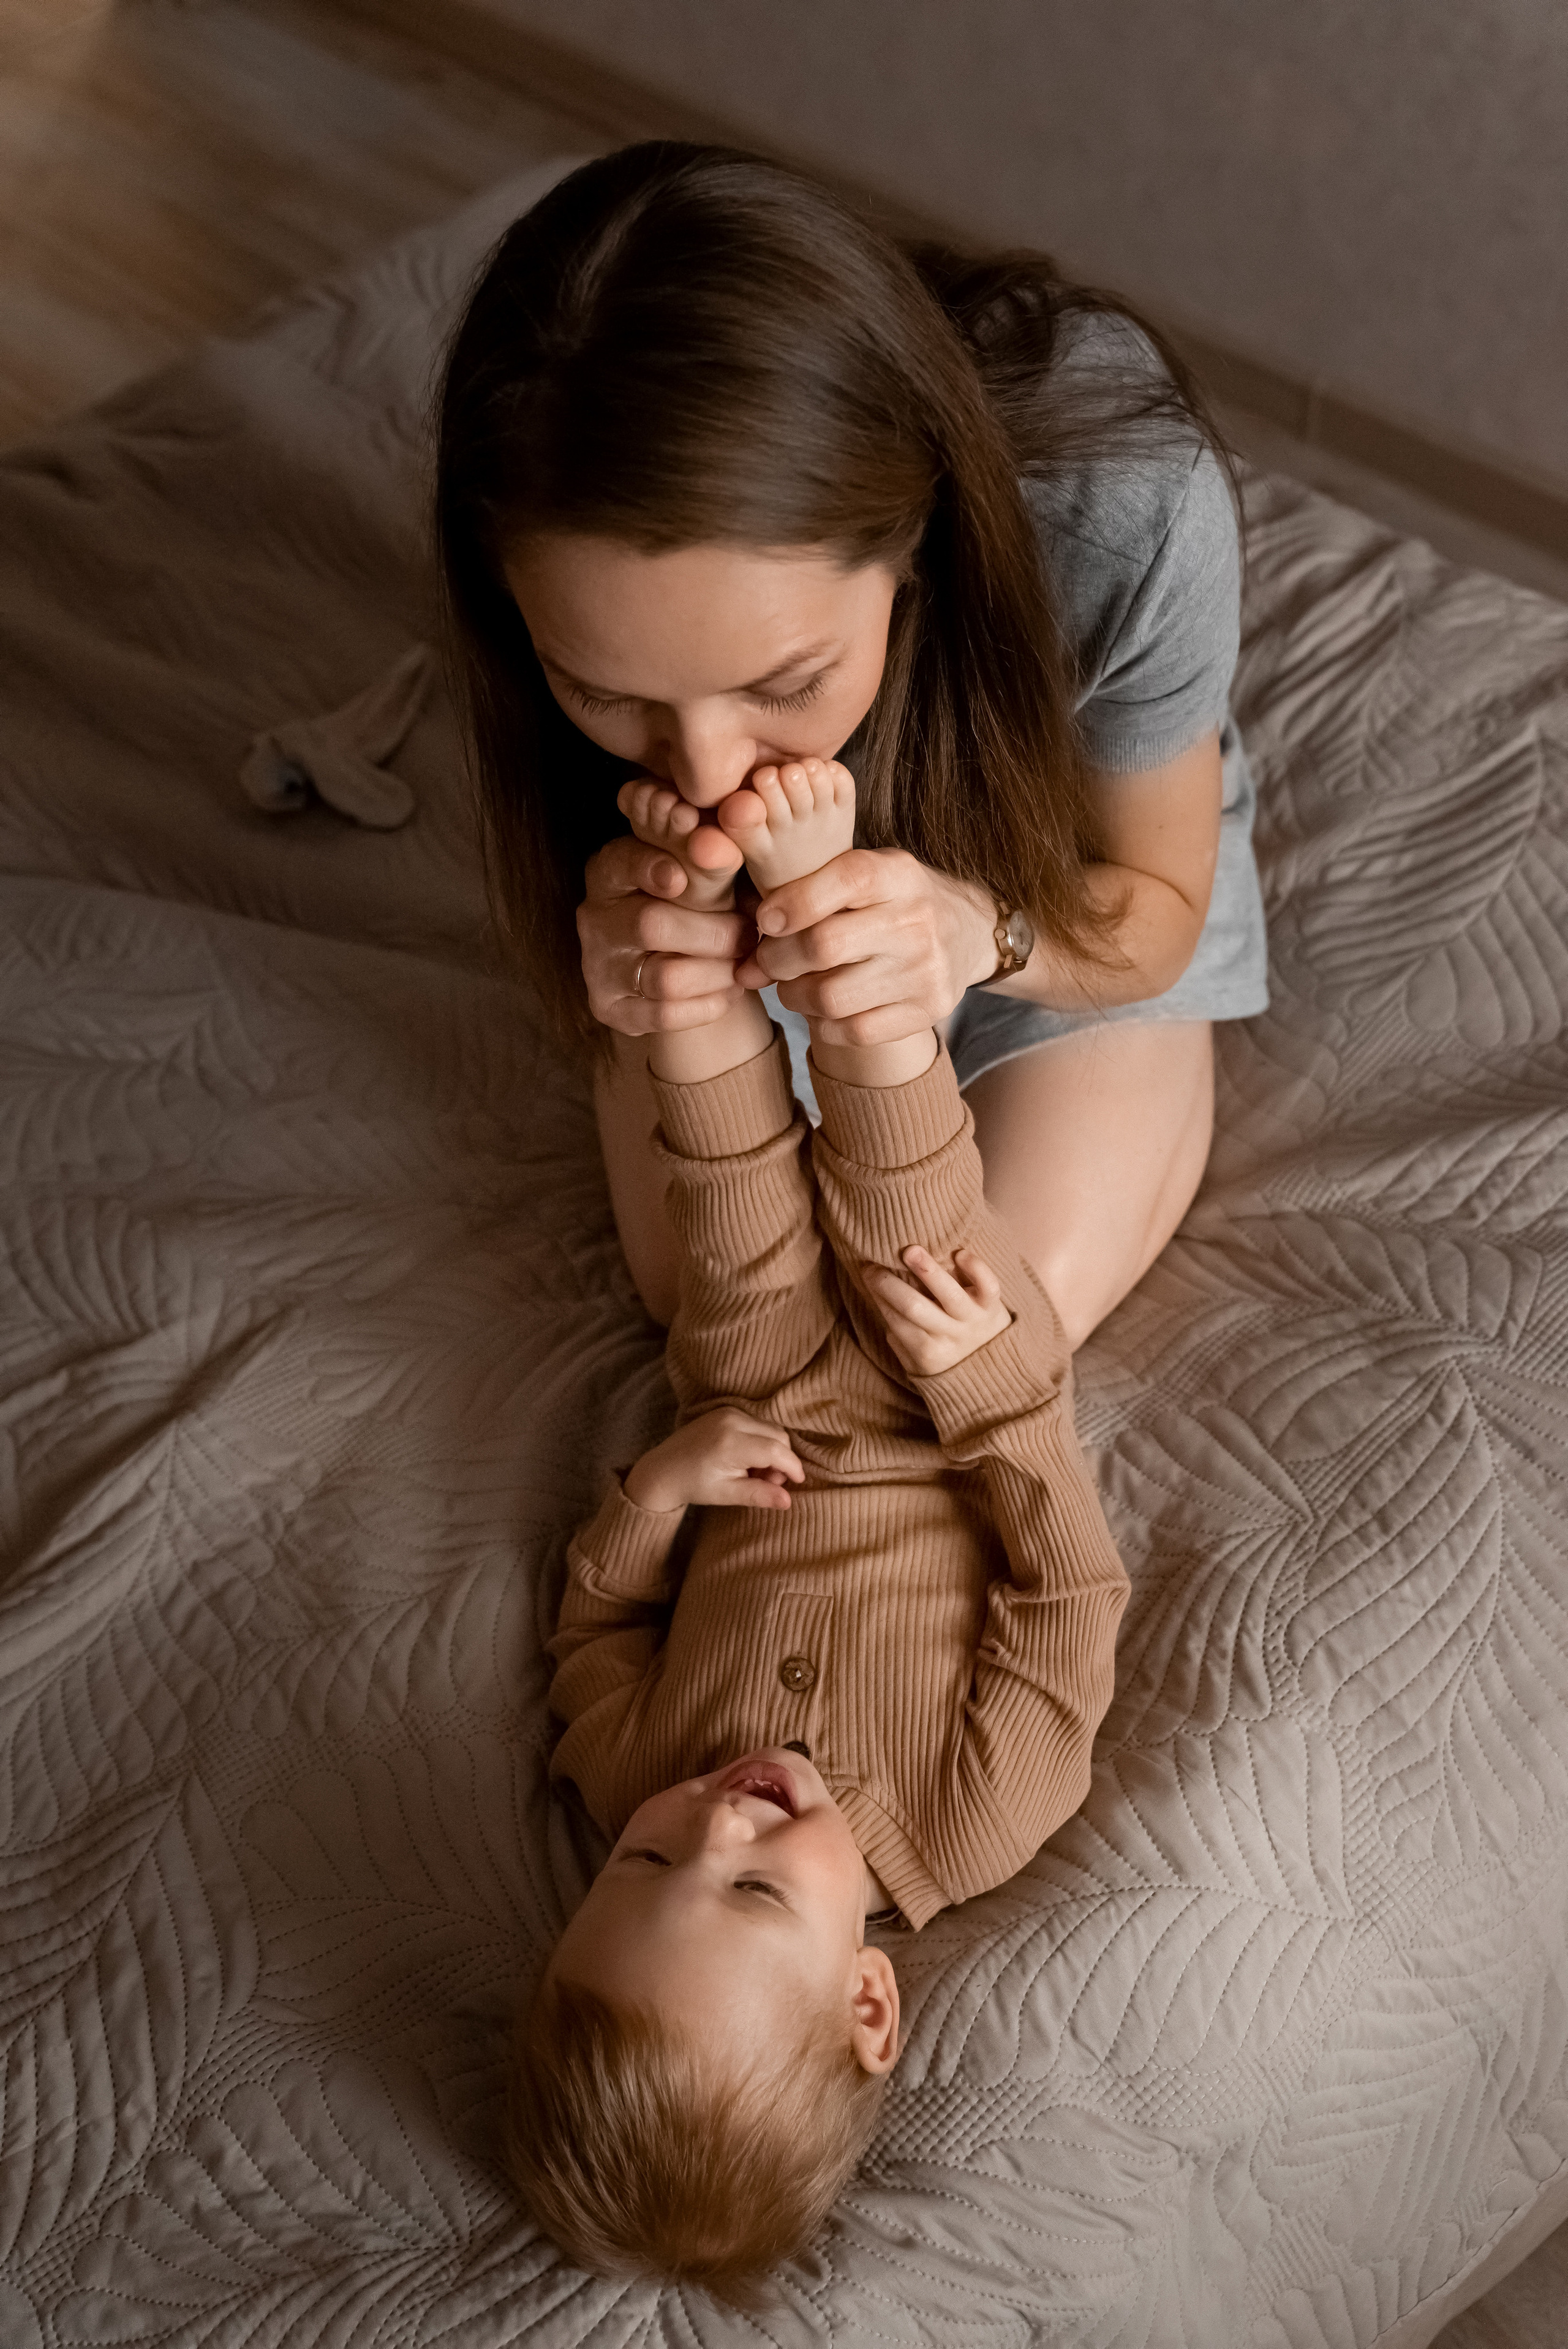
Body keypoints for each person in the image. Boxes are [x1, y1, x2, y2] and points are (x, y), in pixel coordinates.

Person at [435, 140, 1267, 1343]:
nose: (707, 775)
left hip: (1060, 876)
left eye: (784, 683)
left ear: (916, 543)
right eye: (604, 694)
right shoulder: (530, 558)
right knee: (718, 1308)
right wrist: (645, 976)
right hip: (760, 930)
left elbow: (1155, 910)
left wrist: (979, 934)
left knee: (980, 1322)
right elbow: (730, 1297)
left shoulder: (1125, 505)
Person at [507, 763, 1129, 2298]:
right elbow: (1066, 1587)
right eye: (751, 1889)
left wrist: (657, 1497)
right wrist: (989, 1387)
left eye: (643, 1862)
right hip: (944, 1396)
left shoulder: (630, 1770)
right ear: (866, 2003)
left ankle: (694, 937)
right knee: (911, 1213)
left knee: (729, 1205)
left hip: (759, 1395)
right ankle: (832, 924)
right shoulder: (975, 1816)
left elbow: (592, 1630)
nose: (711, 1820)